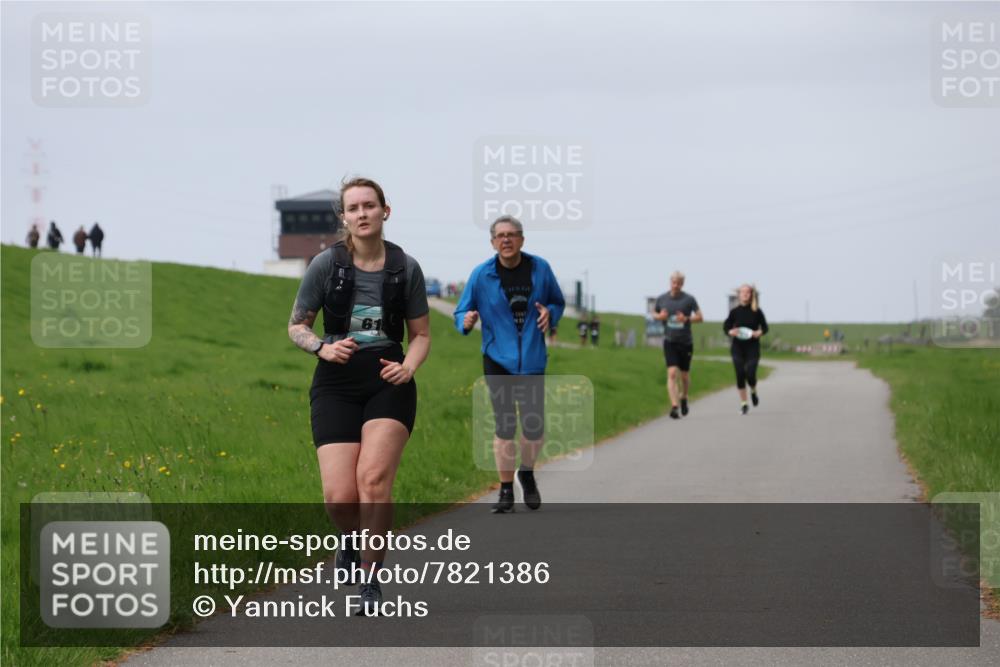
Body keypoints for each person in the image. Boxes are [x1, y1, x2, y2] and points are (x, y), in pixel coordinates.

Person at [287, 177, 430, 615]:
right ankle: (349, 539)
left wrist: (408, 367)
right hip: (336, 381)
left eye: (370, 205)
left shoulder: (406, 268)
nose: (362, 213)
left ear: (386, 211)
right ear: (344, 217)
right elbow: (297, 325)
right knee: (339, 496)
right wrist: (322, 347)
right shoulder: (326, 265)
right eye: (354, 208)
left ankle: (370, 579)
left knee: (373, 481)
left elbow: (421, 334)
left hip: (389, 379)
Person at [454, 215, 565, 513]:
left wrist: (550, 315)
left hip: (531, 360)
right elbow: (461, 310)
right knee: (505, 425)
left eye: (512, 234)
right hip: (497, 359)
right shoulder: (481, 275)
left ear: (522, 239)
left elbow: (557, 301)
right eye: (500, 235)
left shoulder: (540, 268)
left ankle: (526, 473)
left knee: (534, 429)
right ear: (492, 242)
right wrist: (464, 321)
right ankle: (505, 491)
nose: (506, 239)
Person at [653, 271, 703, 419]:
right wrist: (659, 317)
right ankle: (674, 406)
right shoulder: (662, 299)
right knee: (672, 373)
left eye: (679, 283)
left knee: (685, 376)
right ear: (670, 282)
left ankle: (684, 397)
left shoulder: (689, 299)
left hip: (686, 342)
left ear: (682, 284)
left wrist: (686, 319)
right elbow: (654, 314)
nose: (675, 285)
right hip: (669, 341)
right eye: (673, 282)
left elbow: (700, 317)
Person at [724, 284, 769, 415]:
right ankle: (744, 404)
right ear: (739, 295)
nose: (745, 294)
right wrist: (730, 331)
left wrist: (759, 333)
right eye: (742, 292)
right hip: (737, 347)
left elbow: (765, 328)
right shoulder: (734, 312)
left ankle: (753, 391)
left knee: (750, 374)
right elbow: (726, 326)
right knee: (739, 374)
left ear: (751, 295)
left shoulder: (757, 311)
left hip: (752, 347)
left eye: (747, 292)